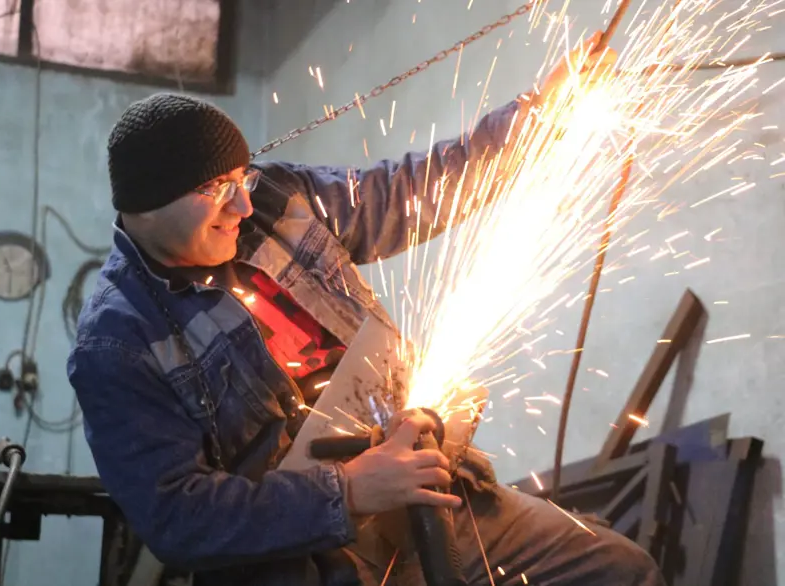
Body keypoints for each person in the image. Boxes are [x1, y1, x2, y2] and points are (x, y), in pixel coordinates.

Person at [68, 33, 664, 586]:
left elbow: (407, 191)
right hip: (312, 559)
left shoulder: (278, 200)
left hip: (431, 495)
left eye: (242, 177)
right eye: (219, 190)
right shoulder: (118, 342)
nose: (245, 205)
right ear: (147, 207)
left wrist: (537, 121)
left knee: (621, 571)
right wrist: (348, 491)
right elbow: (180, 519)